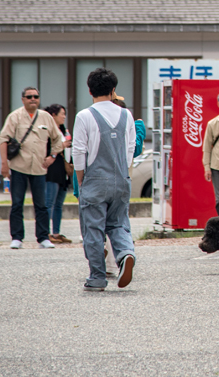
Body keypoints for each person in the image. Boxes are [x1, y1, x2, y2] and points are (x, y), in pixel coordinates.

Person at [72, 67, 137, 292]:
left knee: (93, 229)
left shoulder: (85, 116)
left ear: (90, 90)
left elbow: (78, 152)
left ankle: (97, 277)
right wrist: (124, 172)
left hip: (95, 179)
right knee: (119, 223)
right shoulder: (126, 114)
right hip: (121, 177)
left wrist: (81, 181)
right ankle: (126, 253)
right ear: (113, 90)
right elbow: (130, 148)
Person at [0, 86, 64, 249]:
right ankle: (17, 237)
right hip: (19, 166)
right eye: (29, 97)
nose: (33, 99)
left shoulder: (46, 117)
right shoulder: (15, 117)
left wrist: (52, 157)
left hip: (39, 167)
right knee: (17, 203)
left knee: (41, 204)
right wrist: (4, 164)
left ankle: (43, 237)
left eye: (35, 96)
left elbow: (58, 139)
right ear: (23, 99)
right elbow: (3, 139)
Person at [44, 105, 72, 244]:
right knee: (49, 202)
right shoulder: (47, 128)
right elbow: (47, 147)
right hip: (52, 169)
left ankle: (56, 232)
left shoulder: (62, 129)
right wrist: (62, 145)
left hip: (63, 168)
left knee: (59, 203)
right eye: (62, 114)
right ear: (53, 115)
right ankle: (46, 233)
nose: (64, 117)